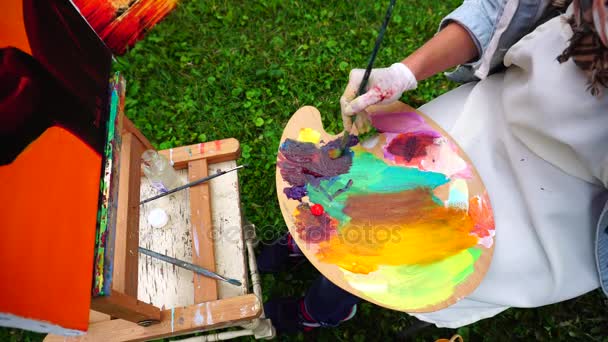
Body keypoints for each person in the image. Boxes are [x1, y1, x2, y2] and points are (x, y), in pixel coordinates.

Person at [260, 0, 608, 333]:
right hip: (494, 110)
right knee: (355, 179)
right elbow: (501, 8)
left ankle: (324, 309)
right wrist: (404, 73)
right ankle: (311, 237)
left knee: (383, 248)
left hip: (557, 209)